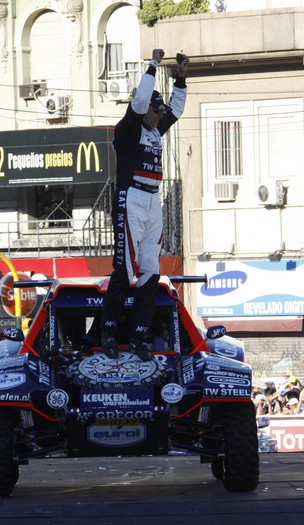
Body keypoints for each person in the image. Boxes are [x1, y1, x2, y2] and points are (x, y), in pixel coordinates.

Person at [99, 49, 189, 362]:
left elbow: (176, 109)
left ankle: (139, 334)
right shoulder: (129, 128)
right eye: (155, 110)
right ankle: (108, 332)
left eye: (158, 111)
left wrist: (180, 75)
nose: (158, 115)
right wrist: (152, 65)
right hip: (130, 196)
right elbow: (138, 103)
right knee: (124, 268)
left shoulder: (155, 129)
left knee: (151, 270)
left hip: (153, 199)